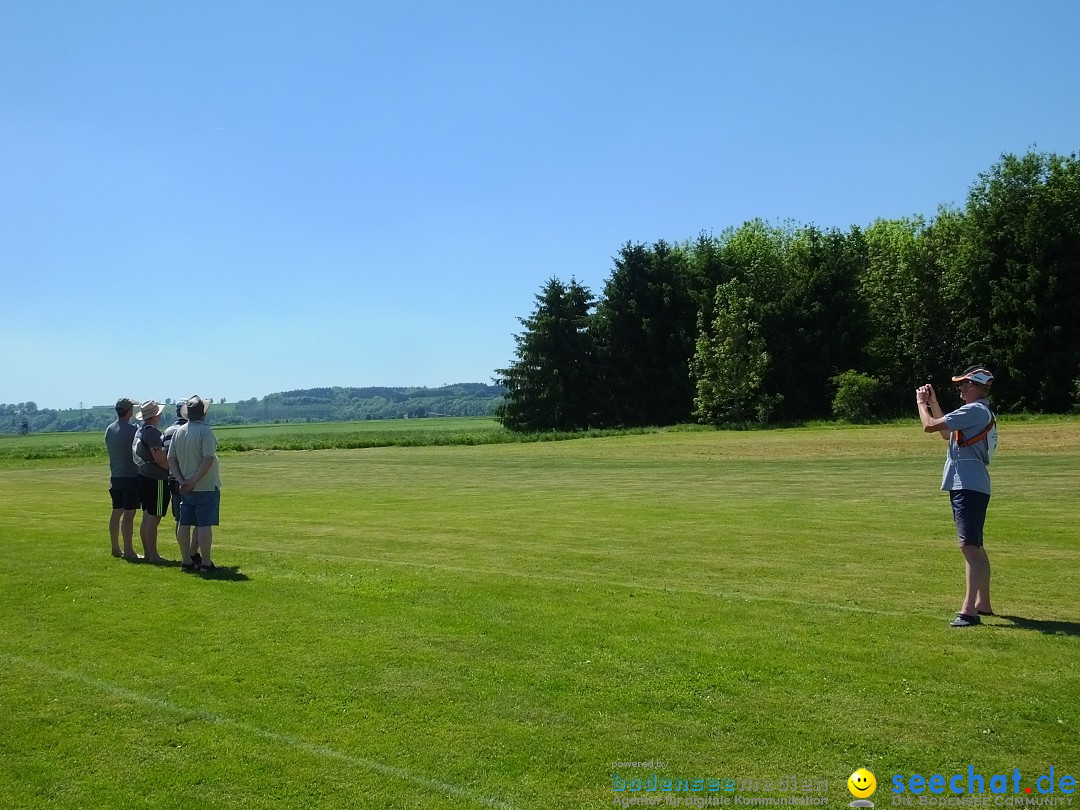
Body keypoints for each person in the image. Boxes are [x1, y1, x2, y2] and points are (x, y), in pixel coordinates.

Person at [916, 366, 998, 628]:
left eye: (964, 384)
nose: (961, 389)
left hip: (968, 485)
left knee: (969, 548)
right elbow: (945, 432)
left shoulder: (974, 410)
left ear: (974, 386)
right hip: (973, 484)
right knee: (975, 547)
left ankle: (968, 612)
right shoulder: (977, 411)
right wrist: (934, 403)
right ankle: (982, 604)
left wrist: (921, 405)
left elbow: (929, 427)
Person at [167, 395, 220, 572]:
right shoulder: (206, 432)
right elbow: (208, 459)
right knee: (204, 524)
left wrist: (182, 480)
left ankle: (186, 560)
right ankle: (205, 562)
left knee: (184, 523)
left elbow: (170, 459)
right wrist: (194, 481)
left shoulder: (179, 432)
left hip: (185, 487)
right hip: (205, 485)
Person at [132, 400, 170, 563]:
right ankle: (153, 555)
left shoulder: (140, 431)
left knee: (147, 517)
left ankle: (148, 552)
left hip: (143, 476)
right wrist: (172, 468)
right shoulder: (153, 433)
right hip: (156, 478)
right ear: (156, 415)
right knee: (154, 518)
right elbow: (159, 458)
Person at [161, 402, 199, 567]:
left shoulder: (167, 431)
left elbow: (166, 456)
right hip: (195, 479)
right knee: (199, 519)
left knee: (180, 518)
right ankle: (192, 552)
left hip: (174, 479)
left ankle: (185, 555)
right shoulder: (194, 430)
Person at [104, 397, 140, 559]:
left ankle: (115, 548)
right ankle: (129, 550)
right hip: (131, 475)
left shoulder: (109, 429)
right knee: (129, 513)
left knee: (116, 511)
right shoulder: (133, 429)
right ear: (129, 410)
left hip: (115, 476)